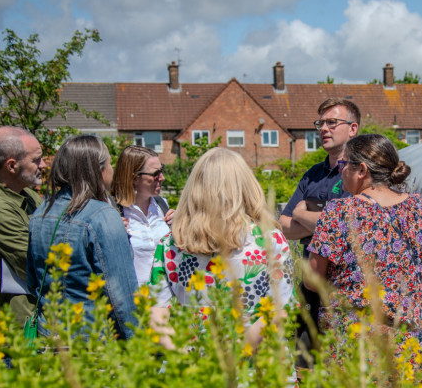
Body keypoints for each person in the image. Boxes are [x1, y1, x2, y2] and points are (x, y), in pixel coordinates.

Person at [307, 133, 422, 365]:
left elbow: (312, 280)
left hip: (357, 348)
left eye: (343, 164)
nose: (340, 171)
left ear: (361, 170)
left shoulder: (338, 212)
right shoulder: (420, 207)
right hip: (414, 345)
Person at [148, 148, 294, 350]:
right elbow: (281, 309)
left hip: (193, 361)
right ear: (245, 187)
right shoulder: (270, 240)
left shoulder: (170, 244)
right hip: (258, 360)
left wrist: (185, 356)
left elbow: (157, 313)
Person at [27, 134, 138, 339]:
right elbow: (122, 296)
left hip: (49, 336)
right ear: (97, 170)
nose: (112, 169)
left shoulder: (40, 213)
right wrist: (138, 343)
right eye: (109, 163)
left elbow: (33, 281)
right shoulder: (102, 215)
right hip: (91, 339)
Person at [280, 98, 360, 358]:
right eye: (320, 123)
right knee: (305, 358)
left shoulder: (361, 173)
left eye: (332, 122)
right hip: (310, 281)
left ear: (353, 128)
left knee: (342, 362)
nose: (323, 129)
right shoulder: (312, 174)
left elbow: (348, 224)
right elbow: (283, 226)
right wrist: (326, 223)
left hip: (346, 284)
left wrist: (301, 214)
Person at [0, 126, 45, 327]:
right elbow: (38, 263)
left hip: (39, 317)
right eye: (36, 160)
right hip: (17, 328)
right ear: (12, 166)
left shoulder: (29, 196)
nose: (43, 164)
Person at [111, 145, 173, 286]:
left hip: (165, 296)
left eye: (162, 170)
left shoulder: (162, 205)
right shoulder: (113, 211)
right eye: (155, 173)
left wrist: (178, 225)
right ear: (134, 178)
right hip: (134, 296)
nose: (162, 178)